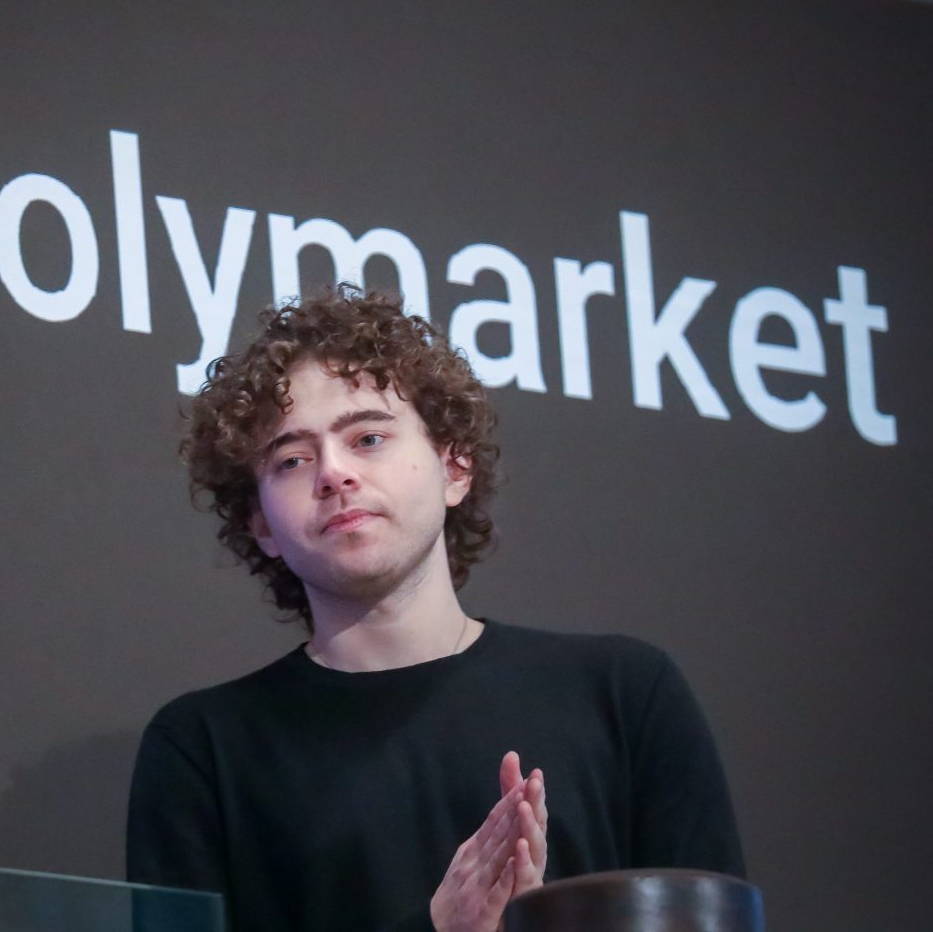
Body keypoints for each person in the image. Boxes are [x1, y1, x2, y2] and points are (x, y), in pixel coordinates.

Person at [126, 287, 744, 932]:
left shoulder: (623, 693)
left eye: (367, 438)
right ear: (261, 525)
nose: (334, 474)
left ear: (454, 467)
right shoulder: (207, 749)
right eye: (291, 459)